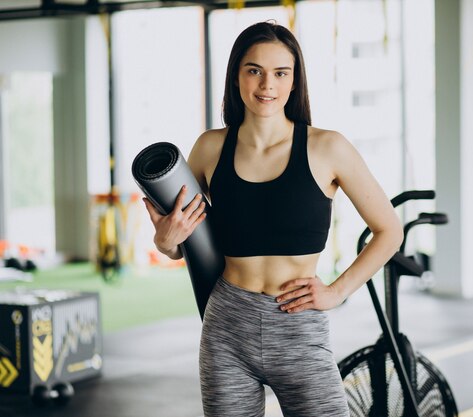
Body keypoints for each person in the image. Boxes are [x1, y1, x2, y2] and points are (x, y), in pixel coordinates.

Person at [143, 21, 403, 417]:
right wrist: (166, 241)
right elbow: (178, 244)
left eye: (280, 72)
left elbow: (390, 231)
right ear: (236, 76)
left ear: (295, 80)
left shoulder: (327, 147)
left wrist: (336, 292)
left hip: (298, 328)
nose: (267, 85)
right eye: (254, 70)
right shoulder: (210, 148)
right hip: (227, 326)